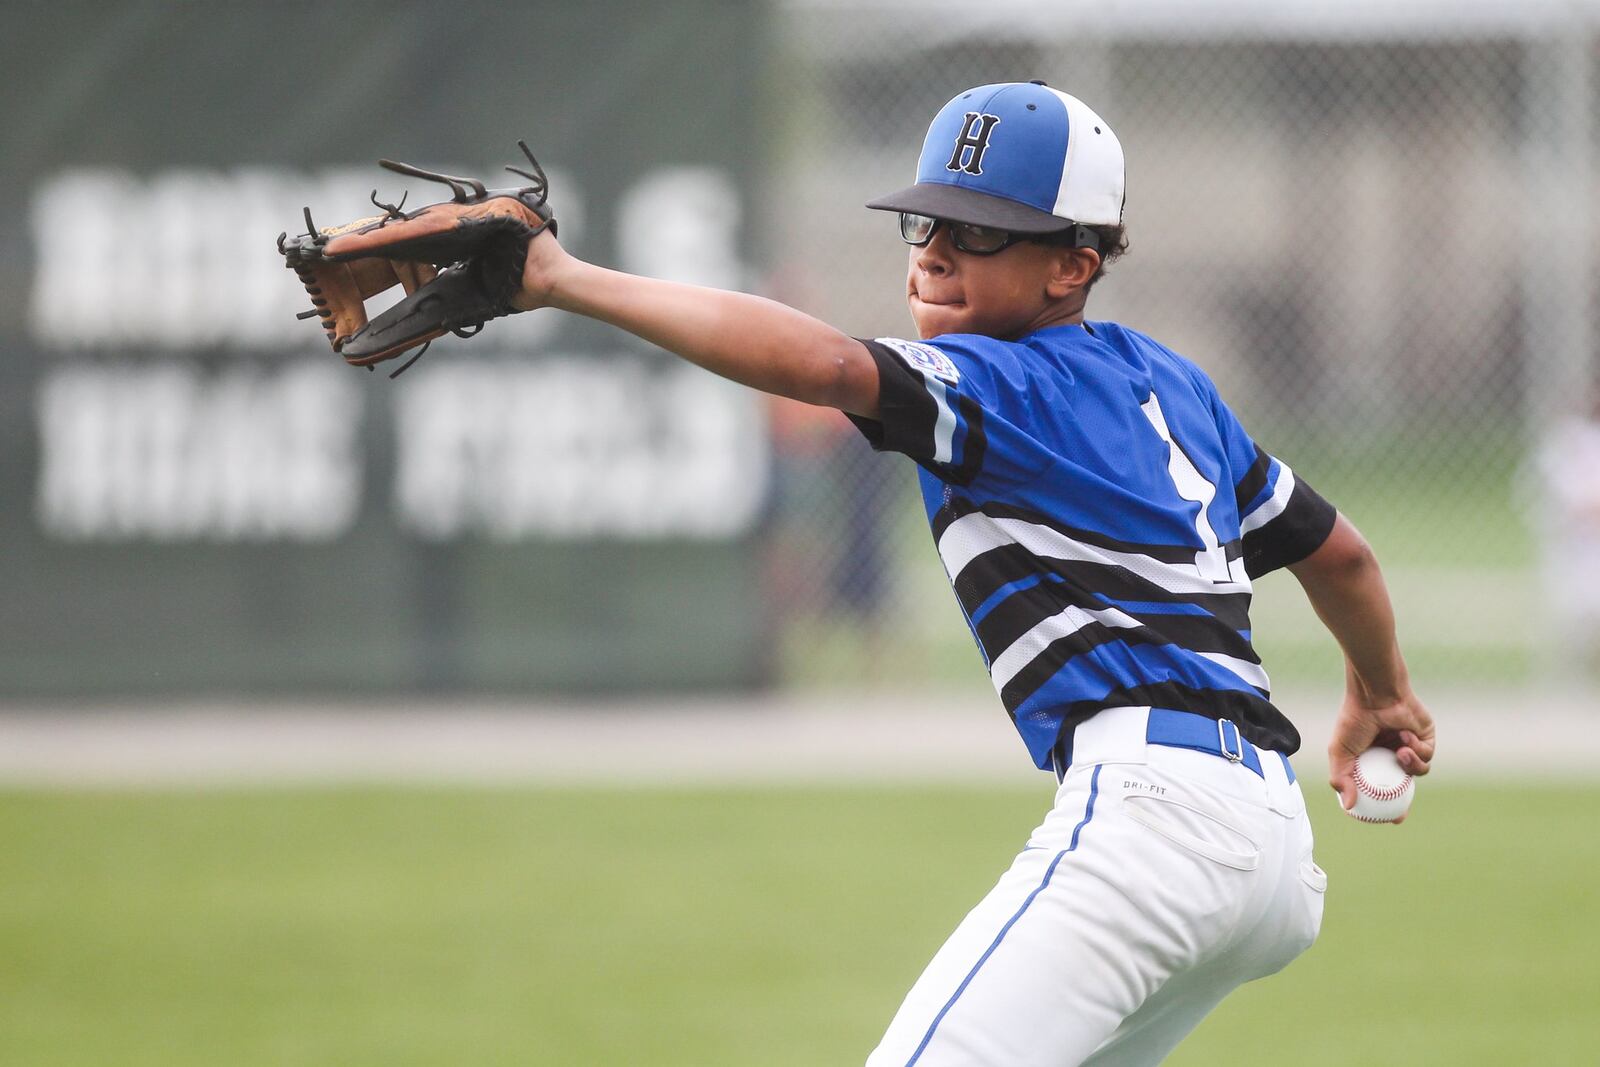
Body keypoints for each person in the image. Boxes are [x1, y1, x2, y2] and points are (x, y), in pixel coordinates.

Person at [512, 80, 1436, 1066]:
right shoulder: (1175, 382)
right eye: (927, 219)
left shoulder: (1006, 383)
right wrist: (1379, 691)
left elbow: (826, 370)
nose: (937, 250)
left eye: (984, 231)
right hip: (1269, 848)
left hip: (1154, 823)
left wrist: (563, 279)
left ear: (1072, 266)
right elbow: (1339, 554)